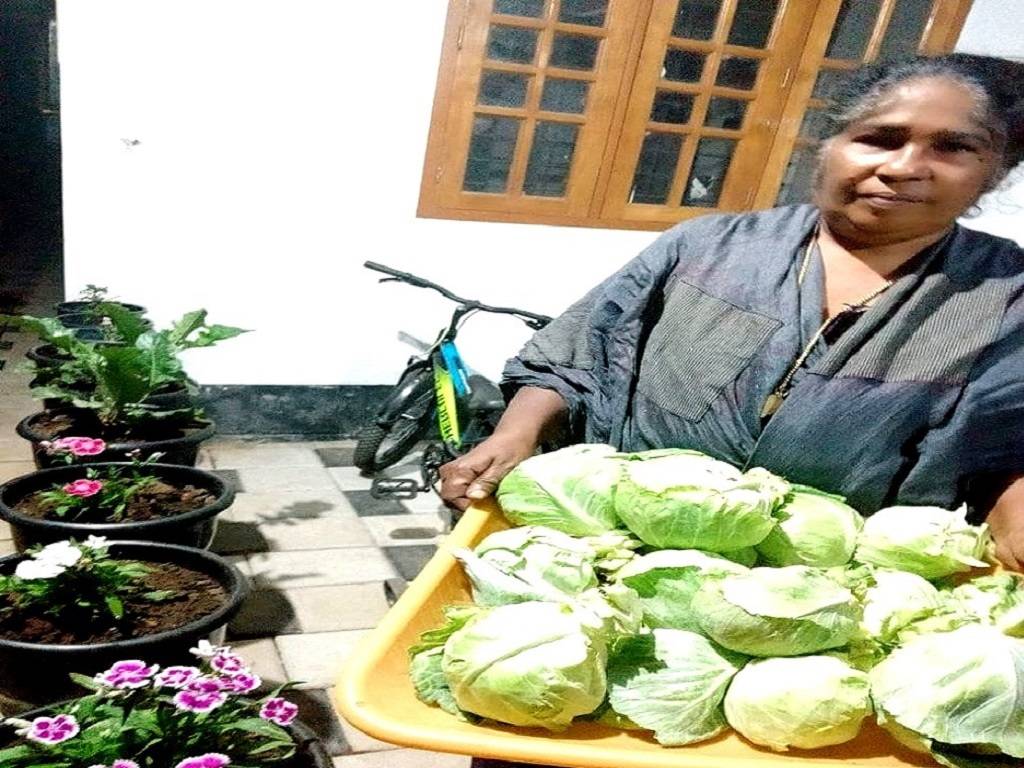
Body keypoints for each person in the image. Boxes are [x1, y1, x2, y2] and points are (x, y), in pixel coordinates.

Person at [439, 53, 1024, 573]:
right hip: (621, 553)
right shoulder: (707, 248)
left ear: (992, 173)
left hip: (823, 589)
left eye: (952, 148)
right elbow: (573, 362)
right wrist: (515, 435)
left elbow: (1003, 451)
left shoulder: (1007, 295)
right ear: (830, 144)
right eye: (879, 138)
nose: (903, 167)